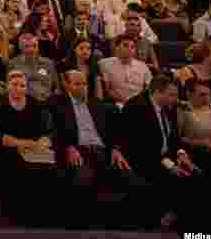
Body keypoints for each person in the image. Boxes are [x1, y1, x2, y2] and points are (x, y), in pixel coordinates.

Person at [51, 69, 140, 228]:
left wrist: (115, 149)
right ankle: (83, 227)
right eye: (77, 84)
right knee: (82, 176)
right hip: (79, 150)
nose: (82, 87)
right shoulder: (57, 104)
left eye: (84, 83)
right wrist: (68, 147)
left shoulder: (97, 104)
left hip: (103, 152)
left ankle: (124, 225)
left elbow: (113, 131)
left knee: (128, 175)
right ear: (66, 85)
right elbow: (54, 130)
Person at [120, 75, 201, 228]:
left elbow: (174, 137)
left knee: (196, 171)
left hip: (165, 155)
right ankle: (166, 219)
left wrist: (181, 154)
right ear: (157, 92)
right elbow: (140, 147)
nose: (175, 99)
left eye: (176, 95)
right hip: (143, 159)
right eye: (171, 94)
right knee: (180, 178)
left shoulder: (168, 107)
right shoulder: (135, 107)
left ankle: (179, 217)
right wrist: (170, 165)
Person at [0, 70, 56, 226]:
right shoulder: (0, 105)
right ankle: (17, 219)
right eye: (14, 85)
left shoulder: (36, 104)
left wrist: (44, 141)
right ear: (7, 86)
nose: (18, 88)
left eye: (22, 85)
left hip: (34, 150)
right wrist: (23, 144)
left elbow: (48, 131)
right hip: (9, 150)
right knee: (16, 170)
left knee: (47, 169)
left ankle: (41, 218)